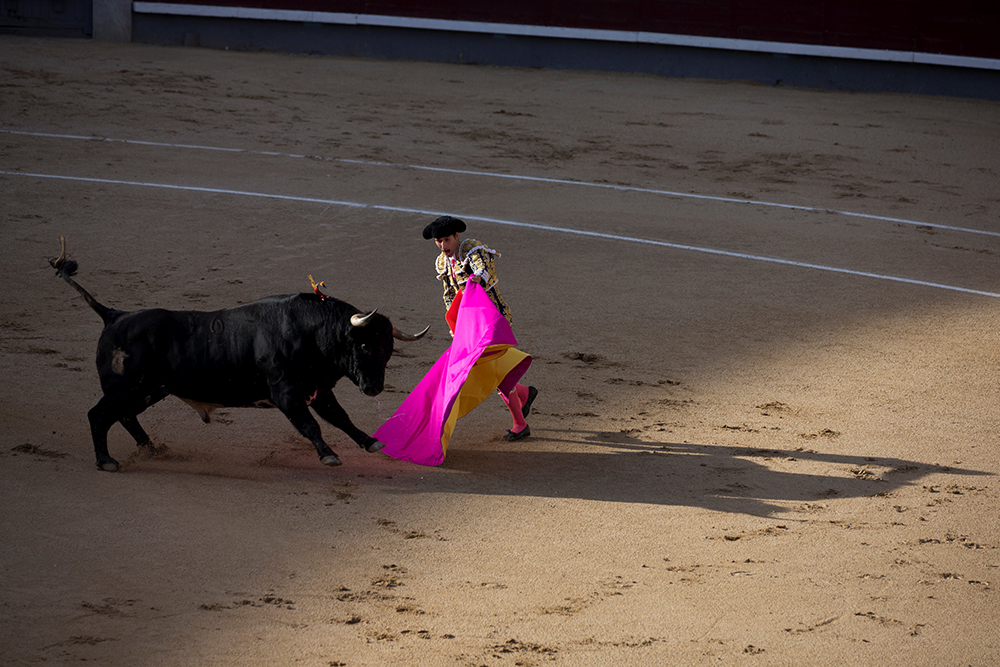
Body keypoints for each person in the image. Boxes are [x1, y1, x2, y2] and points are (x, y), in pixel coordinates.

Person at [423, 215, 538, 441]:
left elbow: (483, 270)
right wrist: (454, 323)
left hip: (493, 319)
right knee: (493, 370)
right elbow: (449, 294)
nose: (443, 246)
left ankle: (520, 422)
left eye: (446, 240)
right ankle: (524, 394)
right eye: (438, 241)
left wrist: (476, 278)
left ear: (457, 236)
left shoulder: (471, 249)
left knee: (492, 371)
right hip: (469, 325)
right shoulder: (441, 262)